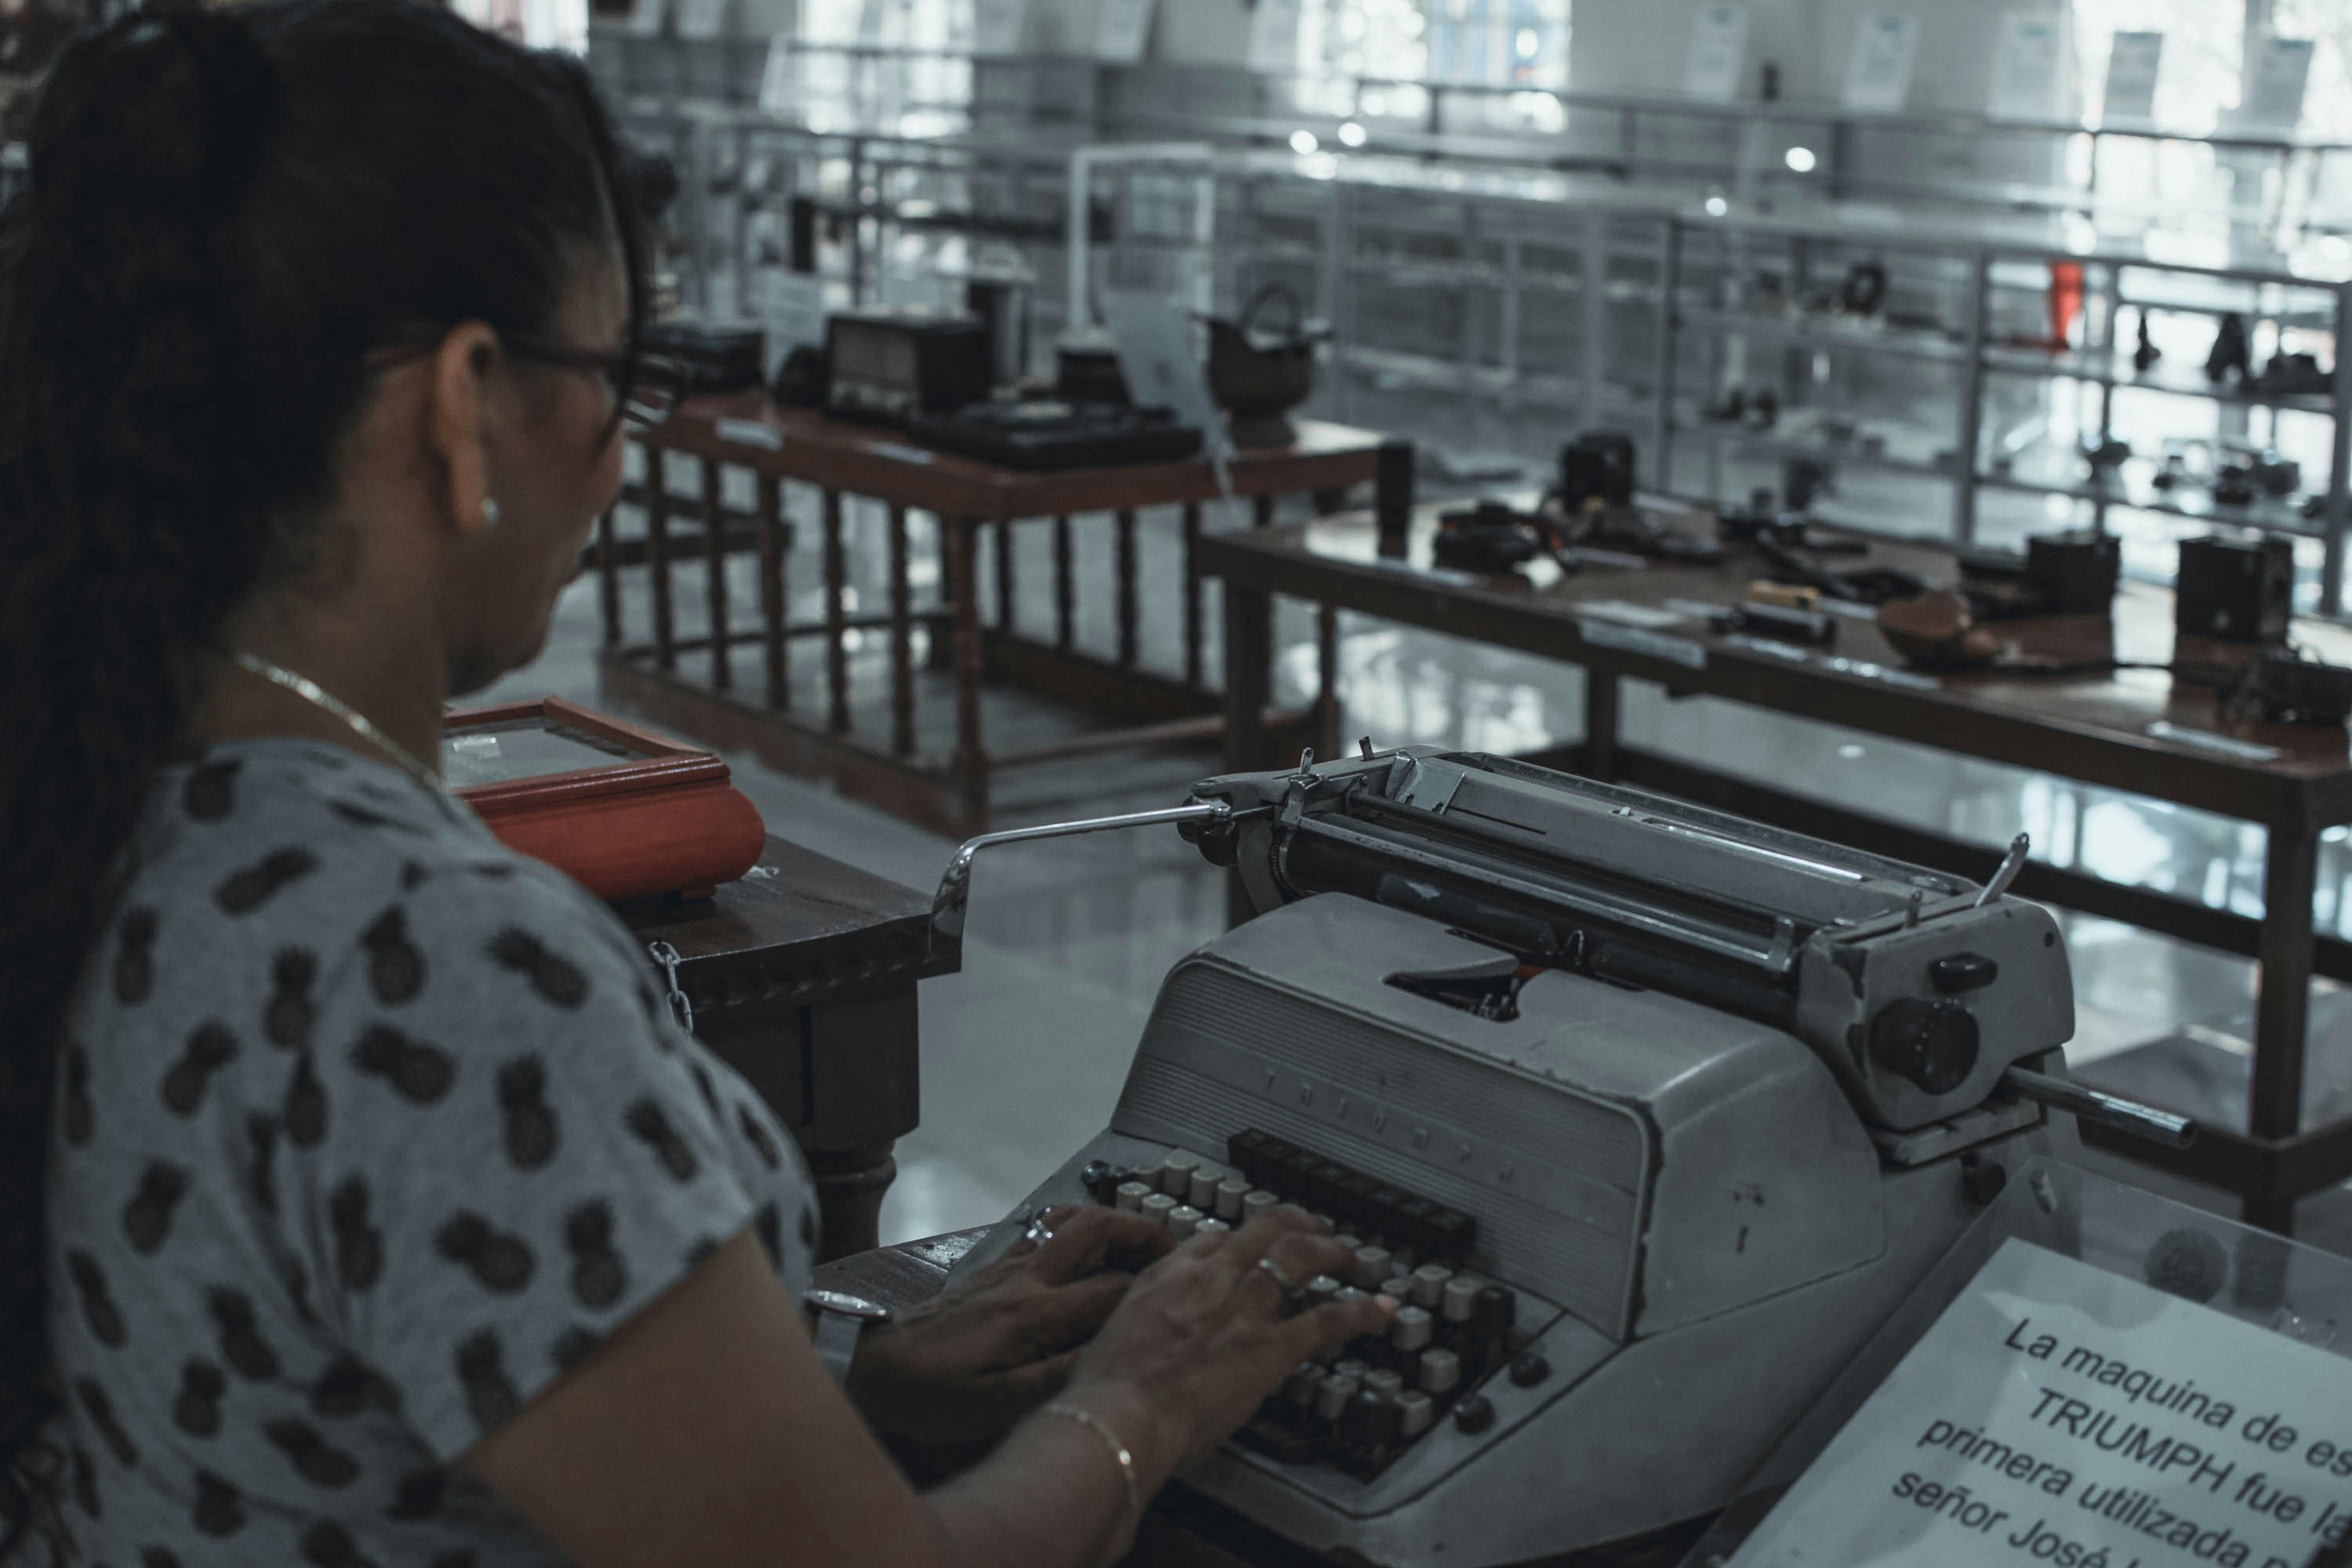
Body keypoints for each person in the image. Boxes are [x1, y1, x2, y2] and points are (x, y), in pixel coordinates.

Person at [0, 4, 1394, 1564]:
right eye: (622, 377)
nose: (621, 457)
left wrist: (849, 1374)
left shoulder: (100, 786)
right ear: (463, 407)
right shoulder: (430, 970)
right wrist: (1147, 1395)